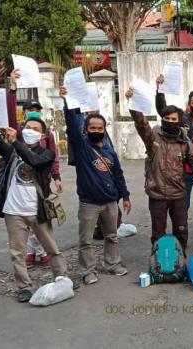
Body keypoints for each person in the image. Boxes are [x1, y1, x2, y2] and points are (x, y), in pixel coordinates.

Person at [0, 93, 69, 303]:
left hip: (38, 211)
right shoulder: (11, 151)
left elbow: (33, 160)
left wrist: (16, 142)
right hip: (13, 211)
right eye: (28, 128)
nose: (31, 132)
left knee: (52, 248)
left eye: (36, 130)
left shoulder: (47, 154)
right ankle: (24, 286)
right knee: (17, 253)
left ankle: (61, 278)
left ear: (43, 136)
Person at [60, 86, 131, 285]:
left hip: (110, 203)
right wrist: (68, 103)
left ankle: (113, 263)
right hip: (89, 203)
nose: (97, 131)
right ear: (86, 130)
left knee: (112, 236)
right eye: (93, 129)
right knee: (86, 241)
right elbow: (73, 127)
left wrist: (125, 196)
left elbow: (118, 175)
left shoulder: (110, 152)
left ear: (104, 129)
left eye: (100, 129)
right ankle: (88, 270)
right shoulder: (82, 148)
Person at [125, 88, 193, 252]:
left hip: (179, 194)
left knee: (181, 231)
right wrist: (133, 104)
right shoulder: (153, 137)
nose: (170, 121)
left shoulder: (184, 141)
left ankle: (180, 262)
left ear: (179, 121)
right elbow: (141, 124)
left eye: (173, 119)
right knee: (158, 233)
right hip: (157, 194)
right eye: (166, 118)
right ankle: (158, 264)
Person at [6, 69, 64, 266]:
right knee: (24, 220)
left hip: (41, 180)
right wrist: (12, 89)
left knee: (41, 218)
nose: (35, 113)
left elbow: (52, 156)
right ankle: (32, 251)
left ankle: (43, 251)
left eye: (37, 110)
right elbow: (10, 121)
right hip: (22, 186)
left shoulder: (46, 136)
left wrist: (56, 176)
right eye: (31, 110)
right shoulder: (20, 135)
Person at [155, 75, 193, 241]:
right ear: (189, 103)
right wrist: (160, 91)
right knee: (183, 207)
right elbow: (162, 110)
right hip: (184, 172)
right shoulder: (182, 118)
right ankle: (180, 239)